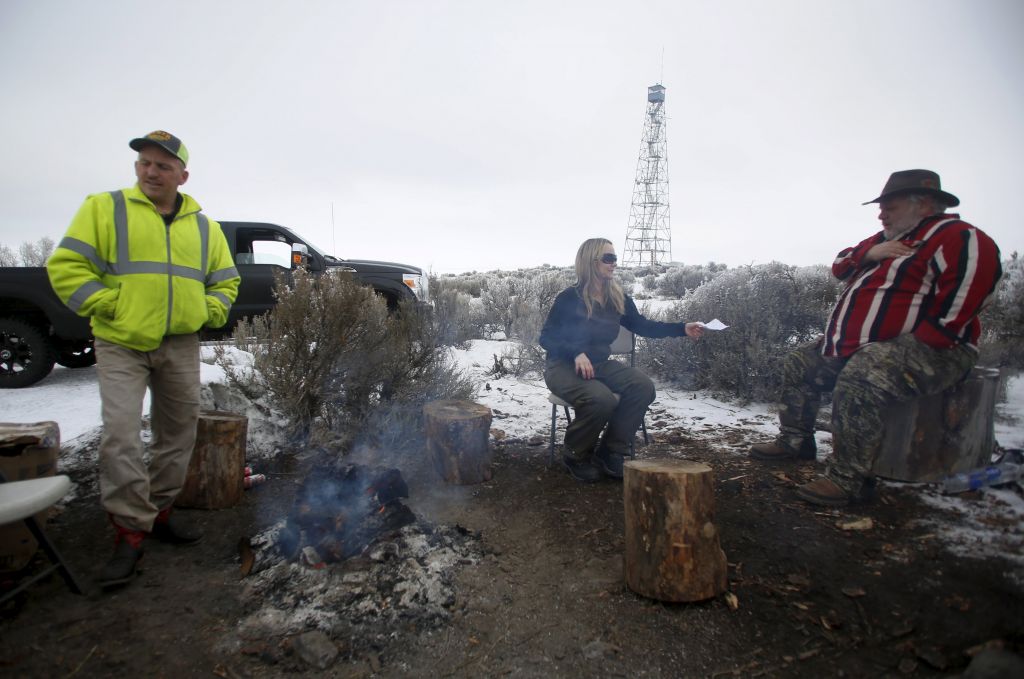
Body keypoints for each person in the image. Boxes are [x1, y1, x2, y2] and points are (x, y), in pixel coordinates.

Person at [47, 130, 241, 587]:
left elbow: (226, 280)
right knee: (120, 435)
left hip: (179, 343)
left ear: (182, 174)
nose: (151, 172)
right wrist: (111, 305)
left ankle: (160, 512)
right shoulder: (104, 208)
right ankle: (130, 533)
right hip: (121, 341)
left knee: (177, 433)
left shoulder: (202, 226)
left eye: (162, 165)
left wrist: (208, 311)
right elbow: (66, 266)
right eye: (144, 163)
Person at [749, 169, 1002, 506]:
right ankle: (795, 441)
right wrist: (868, 255)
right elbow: (839, 265)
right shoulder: (883, 239)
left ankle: (849, 479)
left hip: (936, 350)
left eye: (890, 206)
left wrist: (932, 336)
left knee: (863, 376)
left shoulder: (956, 235)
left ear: (924, 204)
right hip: (858, 347)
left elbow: (976, 283)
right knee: (800, 362)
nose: (881, 213)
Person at [539, 238, 705, 482]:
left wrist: (683, 328)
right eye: (608, 258)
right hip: (562, 366)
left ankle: (610, 452)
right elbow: (547, 337)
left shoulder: (618, 298)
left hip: (599, 364)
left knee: (642, 386)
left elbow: (643, 326)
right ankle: (576, 454)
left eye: (614, 258)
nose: (614, 263)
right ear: (590, 262)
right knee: (600, 399)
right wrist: (575, 352)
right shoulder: (569, 298)